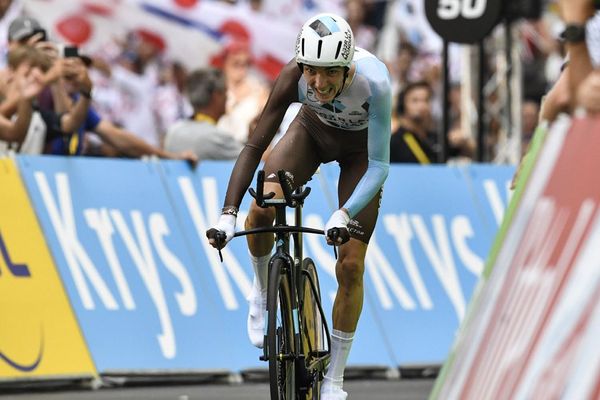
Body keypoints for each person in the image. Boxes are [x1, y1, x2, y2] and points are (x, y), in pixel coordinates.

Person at [206, 13, 391, 400]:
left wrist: (342, 213)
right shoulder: (292, 76)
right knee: (263, 208)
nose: (319, 83)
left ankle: (334, 379)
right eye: (311, 72)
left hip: (361, 156)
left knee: (351, 264)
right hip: (312, 132)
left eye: (328, 74)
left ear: (346, 67)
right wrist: (228, 214)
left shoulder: (375, 82)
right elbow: (255, 146)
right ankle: (260, 291)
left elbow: (378, 166)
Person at [164, 68, 244, 160]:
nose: (227, 97)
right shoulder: (217, 138)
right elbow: (256, 162)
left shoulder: (173, 131)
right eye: (225, 91)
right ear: (216, 96)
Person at [390, 81, 439, 163]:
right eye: (415, 101)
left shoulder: (436, 138)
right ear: (403, 104)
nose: (422, 105)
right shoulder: (395, 141)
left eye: (426, 100)